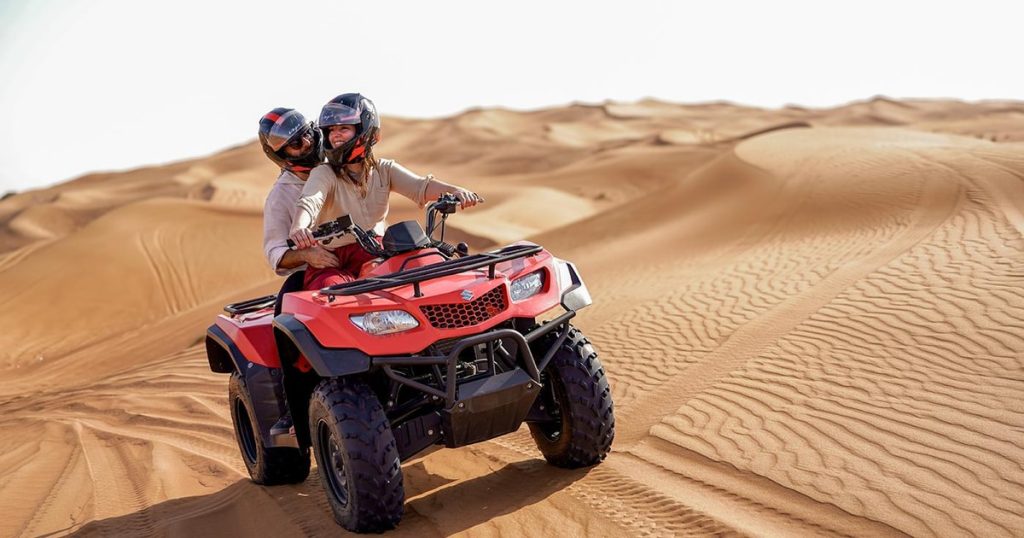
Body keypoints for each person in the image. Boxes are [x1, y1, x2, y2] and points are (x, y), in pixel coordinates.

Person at [288, 93, 483, 290]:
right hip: (332, 261)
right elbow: (310, 201)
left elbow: (420, 187)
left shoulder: (384, 170)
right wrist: (299, 226)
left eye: (343, 128)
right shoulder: (324, 173)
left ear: (364, 130)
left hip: (375, 251)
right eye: (331, 130)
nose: (335, 135)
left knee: (422, 270)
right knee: (333, 293)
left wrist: (455, 191)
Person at [257, 107, 331, 437]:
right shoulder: (281, 195)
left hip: (367, 255)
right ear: (282, 155)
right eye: (295, 143)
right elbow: (275, 253)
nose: (306, 143)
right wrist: (308, 254)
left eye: (306, 134)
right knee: (286, 323)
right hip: (316, 272)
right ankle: (297, 413)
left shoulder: (338, 163)